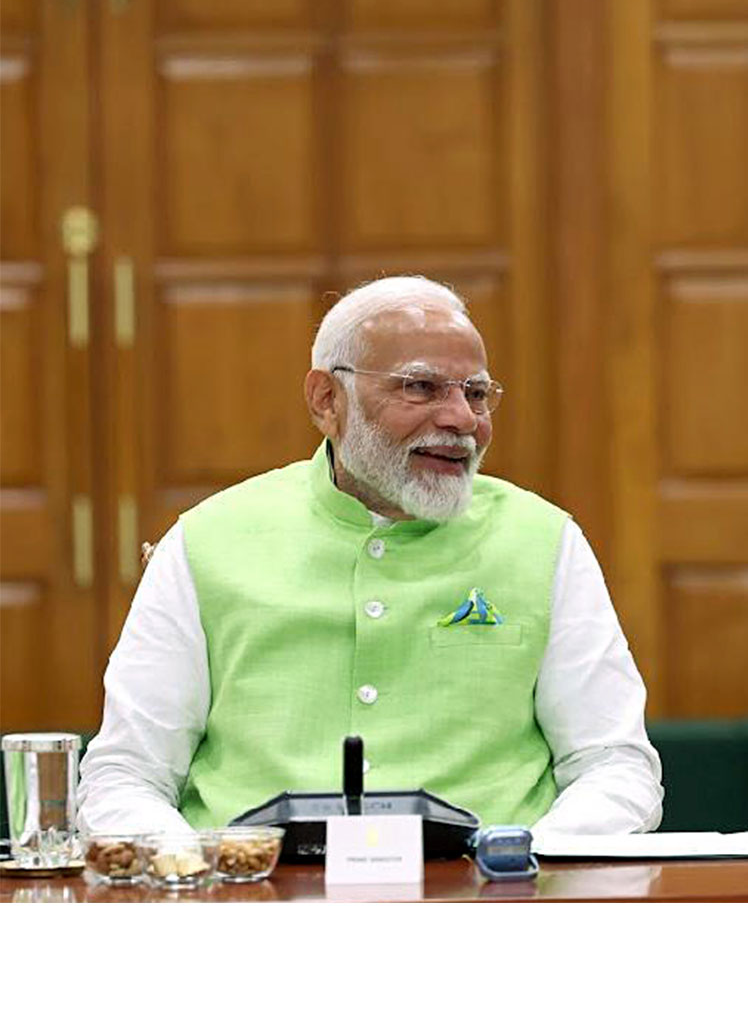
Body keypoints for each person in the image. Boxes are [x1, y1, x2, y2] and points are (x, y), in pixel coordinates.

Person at [79, 276, 663, 840]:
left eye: (476, 393)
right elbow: (125, 775)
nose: (462, 419)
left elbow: (614, 765)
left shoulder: (544, 541)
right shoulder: (207, 540)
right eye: (420, 387)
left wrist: (518, 864)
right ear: (327, 400)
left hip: (485, 909)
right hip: (255, 909)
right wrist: (206, 879)